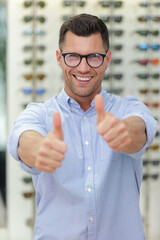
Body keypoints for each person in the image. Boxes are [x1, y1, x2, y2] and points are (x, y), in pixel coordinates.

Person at [8, 13, 157, 240]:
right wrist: (40, 150)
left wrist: (124, 133)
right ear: (59, 58)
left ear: (107, 60)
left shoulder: (128, 109)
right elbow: (24, 139)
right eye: (73, 57)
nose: (84, 67)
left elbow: (139, 128)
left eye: (94, 57)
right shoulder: (39, 114)